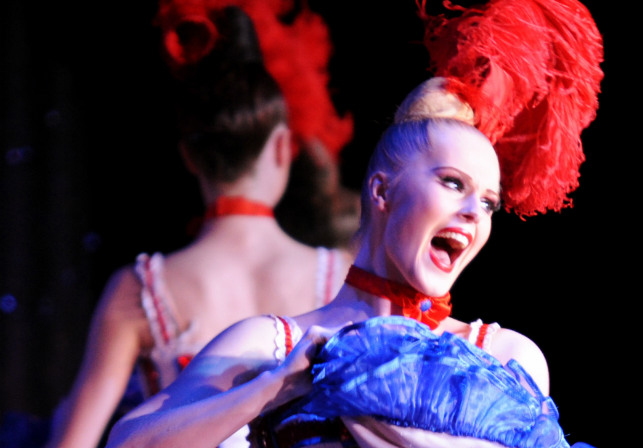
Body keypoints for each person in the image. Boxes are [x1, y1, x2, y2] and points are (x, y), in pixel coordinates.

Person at [106, 0, 603, 446]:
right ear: (382, 190)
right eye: (453, 183)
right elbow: (130, 442)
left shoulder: (506, 358)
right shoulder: (274, 345)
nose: (474, 211)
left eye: (489, 202)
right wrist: (273, 387)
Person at [46, 2, 355, 447]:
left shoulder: (142, 289)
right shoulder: (339, 273)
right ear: (284, 147)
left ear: (189, 156)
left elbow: (72, 443)